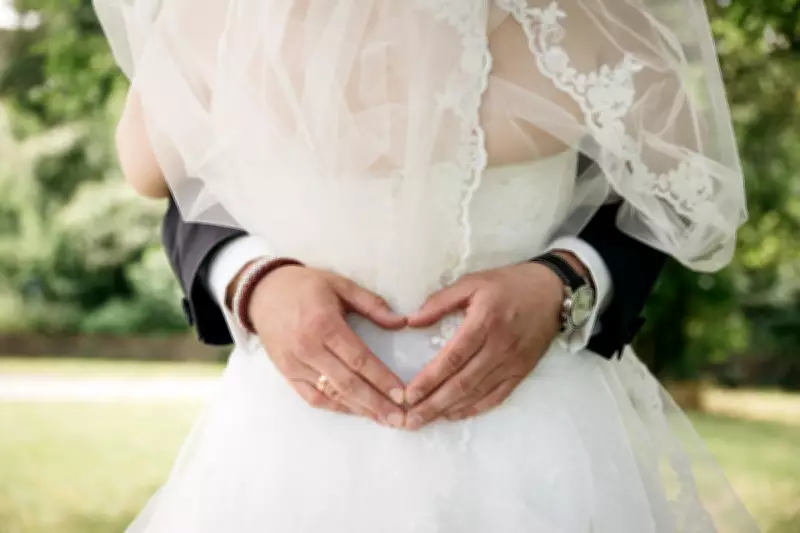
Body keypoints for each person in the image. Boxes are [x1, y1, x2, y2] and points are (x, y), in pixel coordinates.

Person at [96, 1, 758, 531]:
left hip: (542, 444)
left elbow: (680, 190)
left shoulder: (589, 14)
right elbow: (179, 183)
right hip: (290, 448)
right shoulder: (219, 16)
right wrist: (252, 278)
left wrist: (568, 278)